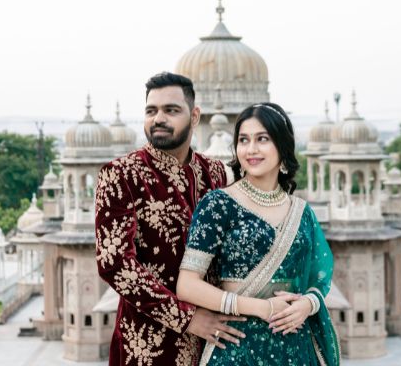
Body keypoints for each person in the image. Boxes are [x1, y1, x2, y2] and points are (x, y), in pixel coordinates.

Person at [96, 72, 246, 366]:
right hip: (147, 346)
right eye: (151, 111)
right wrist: (187, 318)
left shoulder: (216, 173)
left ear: (194, 116)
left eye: (171, 110)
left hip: (216, 341)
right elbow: (114, 263)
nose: (159, 118)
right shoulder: (122, 174)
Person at [176, 102, 340, 366]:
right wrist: (261, 308)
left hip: (295, 347)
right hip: (238, 346)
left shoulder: (302, 212)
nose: (251, 149)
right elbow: (187, 285)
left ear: (282, 146)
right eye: (243, 140)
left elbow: (319, 278)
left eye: (262, 139)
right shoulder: (218, 204)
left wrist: (308, 304)